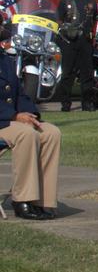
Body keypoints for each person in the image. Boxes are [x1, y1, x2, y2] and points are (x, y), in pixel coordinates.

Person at [1, 19, 62, 220]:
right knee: (25, 134)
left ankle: (43, 200)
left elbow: (18, 94)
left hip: (8, 120)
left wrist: (31, 114)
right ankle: (22, 200)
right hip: (4, 121)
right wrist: (15, 116)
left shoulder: (4, 59)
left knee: (51, 133)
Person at [53, 0, 97, 112]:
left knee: (87, 74)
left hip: (85, 41)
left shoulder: (91, 1)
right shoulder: (65, 1)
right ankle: (65, 104)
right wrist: (66, 31)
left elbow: (94, 19)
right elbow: (59, 20)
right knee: (67, 74)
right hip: (69, 42)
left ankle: (87, 104)